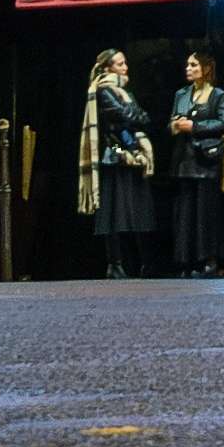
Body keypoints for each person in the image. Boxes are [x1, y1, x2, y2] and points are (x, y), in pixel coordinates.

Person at [83, 46, 155, 278]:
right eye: (120, 64)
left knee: (138, 210)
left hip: (134, 155)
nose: (125, 68)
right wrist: (133, 114)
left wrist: (134, 115)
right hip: (114, 155)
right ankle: (115, 263)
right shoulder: (102, 91)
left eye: (125, 63)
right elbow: (127, 116)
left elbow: (143, 118)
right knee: (114, 212)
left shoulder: (124, 92)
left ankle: (142, 263)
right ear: (107, 68)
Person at [168, 45, 224, 277]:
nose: (189, 68)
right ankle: (185, 261)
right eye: (188, 65)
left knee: (205, 213)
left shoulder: (218, 96)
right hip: (184, 161)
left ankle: (208, 258)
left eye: (194, 65)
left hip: (206, 161)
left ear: (206, 69)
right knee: (185, 214)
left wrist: (194, 126)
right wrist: (175, 126)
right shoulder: (181, 94)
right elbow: (172, 120)